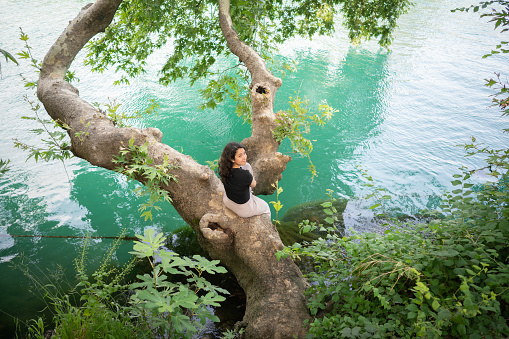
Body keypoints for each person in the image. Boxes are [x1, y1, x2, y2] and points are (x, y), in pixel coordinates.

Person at [218, 142, 271, 218]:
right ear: (232, 159)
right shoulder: (244, 174)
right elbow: (254, 184)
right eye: (240, 156)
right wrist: (249, 175)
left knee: (247, 165)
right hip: (243, 209)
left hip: (228, 201)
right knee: (266, 207)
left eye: (244, 153)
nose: (244, 157)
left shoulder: (224, 169)